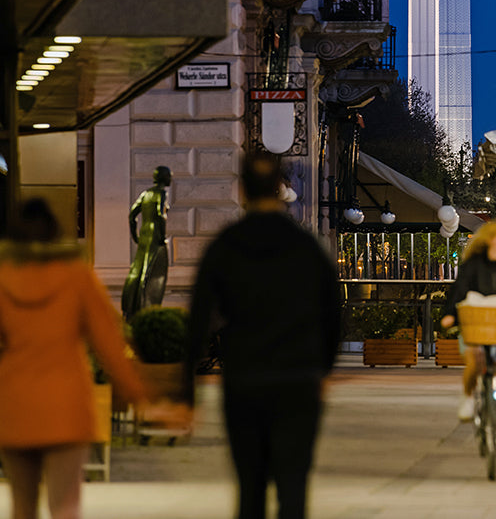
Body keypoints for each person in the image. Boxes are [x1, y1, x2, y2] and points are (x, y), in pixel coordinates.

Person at [180, 153, 342, 519]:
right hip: (298, 380)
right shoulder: (306, 247)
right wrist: (325, 369)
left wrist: (185, 394)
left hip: (245, 379)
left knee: (250, 487)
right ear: (282, 190)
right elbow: (333, 311)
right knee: (293, 485)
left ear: (241, 190)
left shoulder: (226, 245)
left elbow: (199, 318)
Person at [0, 197, 150, 519]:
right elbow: (109, 345)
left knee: (21, 508)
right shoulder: (77, 277)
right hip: (66, 409)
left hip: (13, 408)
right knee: (65, 508)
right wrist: (141, 398)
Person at [441, 220, 496, 467]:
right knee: (475, 356)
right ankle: (468, 395)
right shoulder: (472, 266)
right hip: (475, 328)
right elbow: (458, 292)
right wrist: (450, 314)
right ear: (493, 239)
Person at [122, 165, 171, 319]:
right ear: (164, 177)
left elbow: (132, 216)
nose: (170, 178)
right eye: (169, 175)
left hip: (144, 234)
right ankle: (144, 308)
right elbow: (160, 214)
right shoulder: (161, 193)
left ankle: (130, 307)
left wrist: (135, 236)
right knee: (148, 271)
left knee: (137, 269)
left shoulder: (145, 194)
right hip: (155, 234)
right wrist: (162, 237)